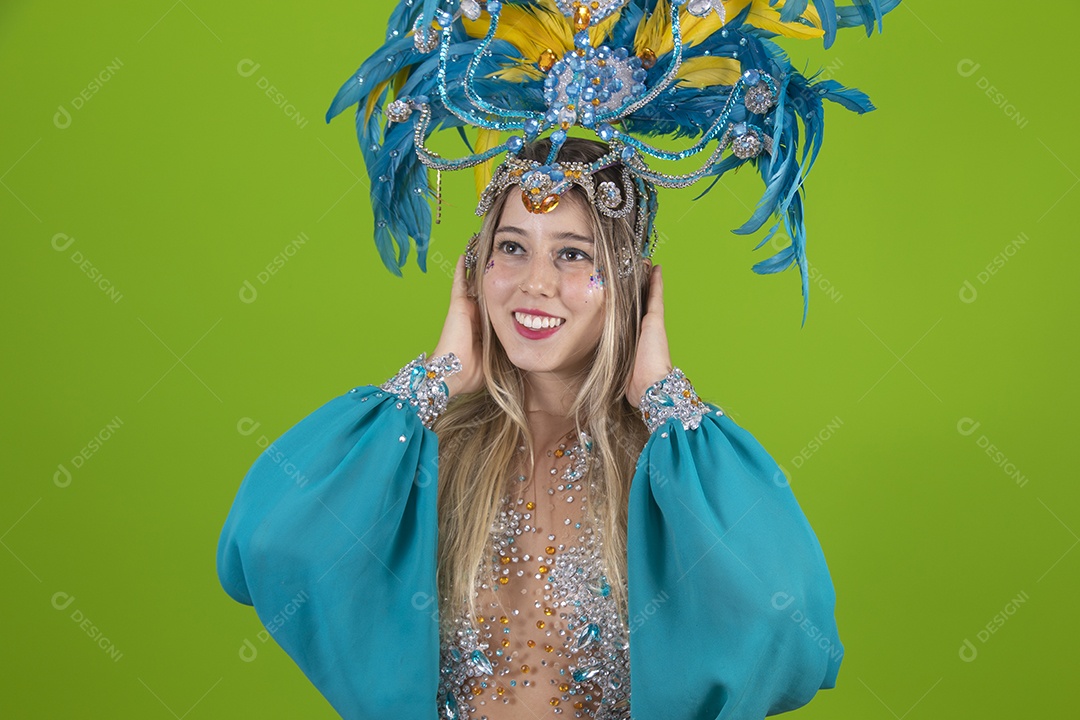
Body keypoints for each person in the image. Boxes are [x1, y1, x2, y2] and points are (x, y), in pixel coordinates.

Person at [218, 2, 895, 717]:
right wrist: (435, 381)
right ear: (475, 267)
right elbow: (265, 543)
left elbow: (791, 624)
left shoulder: (666, 476)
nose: (536, 284)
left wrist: (666, 398)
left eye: (572, 255)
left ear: (629, 281)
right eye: (512, 247)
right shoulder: (431, 452)